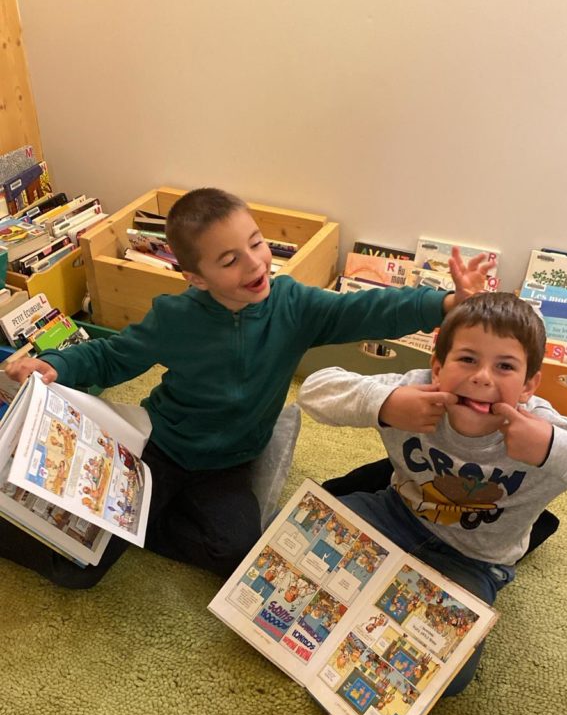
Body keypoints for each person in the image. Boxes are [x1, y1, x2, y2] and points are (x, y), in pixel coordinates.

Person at [2, 188, 490, 589]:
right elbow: (112, 356)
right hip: (162, 449)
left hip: (231, 461)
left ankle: (147, 521)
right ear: (195, 278)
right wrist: (57, 363)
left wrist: (444, 303)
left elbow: (365, 311)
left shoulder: (293, 304)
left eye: (257, 244)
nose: (254, 264)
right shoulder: (175, 317)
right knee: (79, 566)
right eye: (230, 260)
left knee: (239, 553)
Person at [298, 288, 567, 695]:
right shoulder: (417, 389)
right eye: (468, 359)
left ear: (529, 385)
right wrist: (385, 403)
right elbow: (313, 390)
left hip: (474, 560)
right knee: (287, 541)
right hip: (394, 513)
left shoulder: (544, 430)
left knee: (446, 675)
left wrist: (552, 448)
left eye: (505, 366)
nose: (483, 377)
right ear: (438, 367)